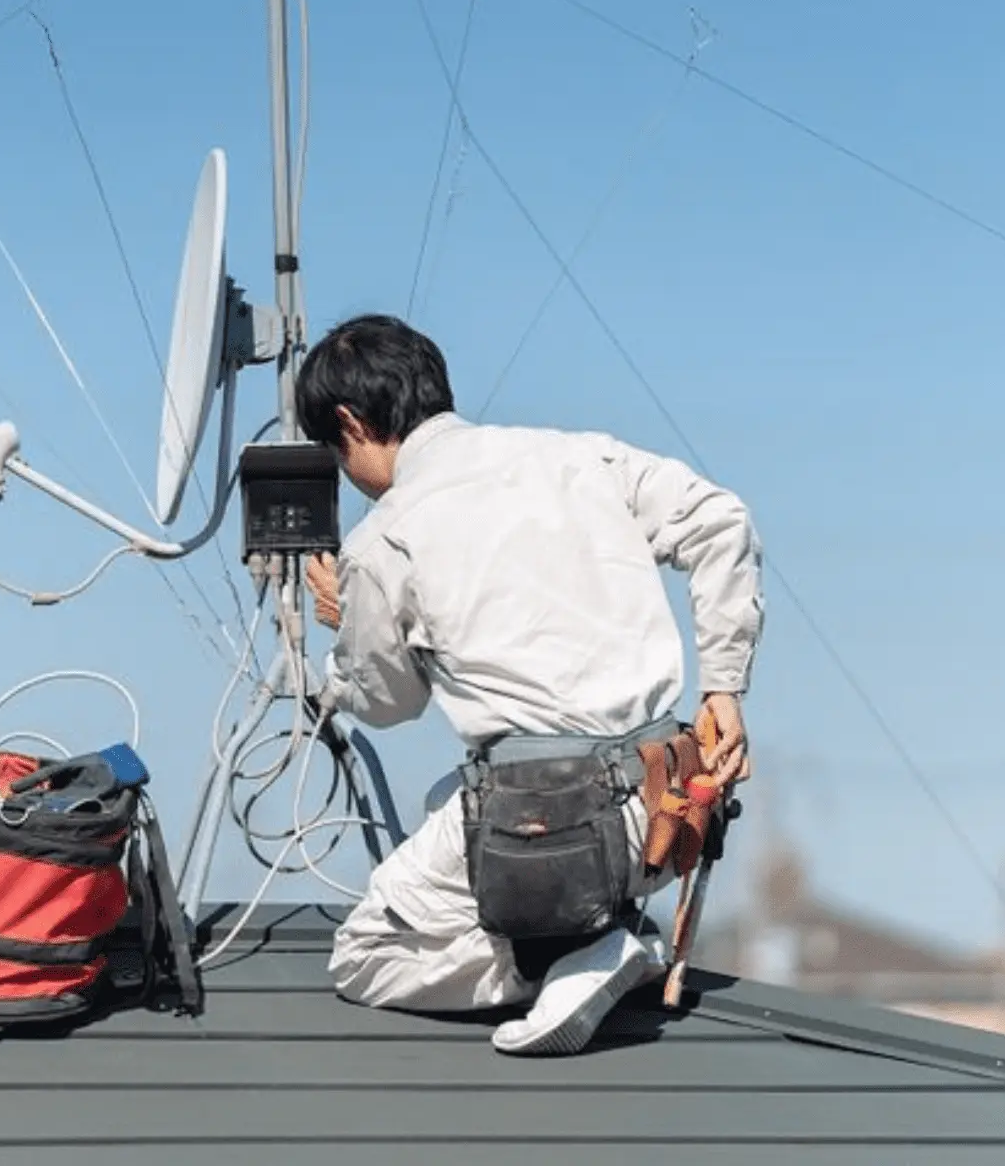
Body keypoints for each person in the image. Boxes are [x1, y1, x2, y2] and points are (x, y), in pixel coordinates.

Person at [297, 313, 763, 1057]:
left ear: (351, 422)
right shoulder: (579, 457)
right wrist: (724, 687)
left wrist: (345, 625)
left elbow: (389, 703)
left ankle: (561, 962)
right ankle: (597, 938)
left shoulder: (384, 537)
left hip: (546, 830)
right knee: (442, 801)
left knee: (364, 955)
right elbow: (720, 518)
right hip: (662, 812)